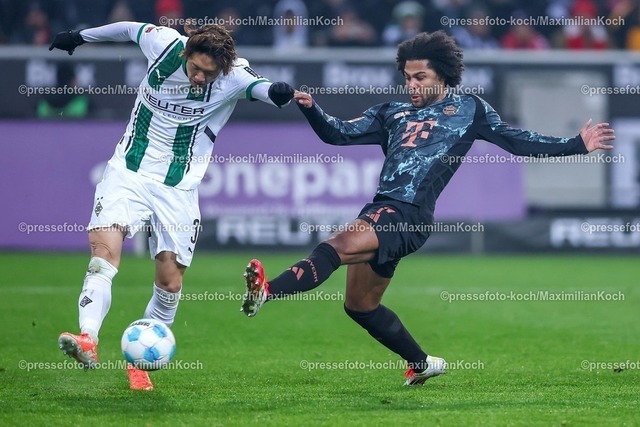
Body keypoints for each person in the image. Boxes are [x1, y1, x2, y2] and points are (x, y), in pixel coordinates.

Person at [240, 30, 615, 386]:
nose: (412, 85)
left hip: (409, 215)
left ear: (443, 76)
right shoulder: (390, 114)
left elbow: (517, 140)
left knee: (335, 246)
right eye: (408, 78)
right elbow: (337, 134)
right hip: (384, 209)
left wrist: (575, 144)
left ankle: (266, 291)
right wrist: (311, 109)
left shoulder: (469, 109)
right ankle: (423, 364)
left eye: (421, 77)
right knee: (360, 306)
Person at [49, 21, 294, 390]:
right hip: (127, 173)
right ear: (186, 52)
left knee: (170, 282)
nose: (200, 77)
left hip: (177, 190)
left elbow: (264, 89)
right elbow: (128, 29)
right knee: (103, 255)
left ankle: (140, 366)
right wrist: (80, 37)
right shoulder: (164, 43)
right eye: (195, 67)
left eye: (208, 73)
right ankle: (88, 339)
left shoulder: (233, 75)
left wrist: (278, 92)